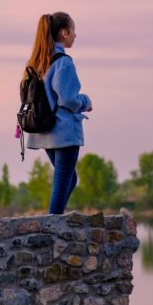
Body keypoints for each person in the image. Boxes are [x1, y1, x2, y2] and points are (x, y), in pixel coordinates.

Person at [22, 12, 93, 214]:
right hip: (62, 130)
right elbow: (68, 99)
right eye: (73, 30)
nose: (75, 35)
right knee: (63, 179)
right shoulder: (63, 62)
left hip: (42, 128)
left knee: (70, 178)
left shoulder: (33, 62)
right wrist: (86, 101)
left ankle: (54, 221)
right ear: (64, 33)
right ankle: (52, 226)